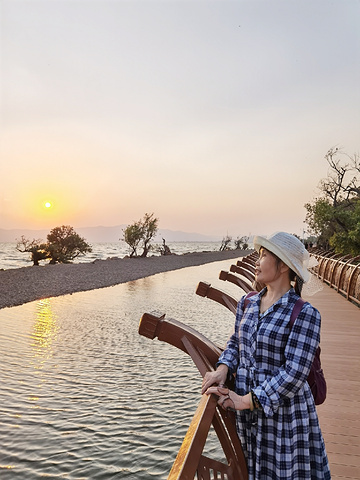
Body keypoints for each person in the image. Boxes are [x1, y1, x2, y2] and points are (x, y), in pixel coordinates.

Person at [201, 232, 331, 479]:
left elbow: (294, 374)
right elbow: (236, 343)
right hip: (249, 417)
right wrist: (223, 368)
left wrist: (245, 400)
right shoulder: (247, 302)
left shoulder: (304, 313)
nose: (257, 262)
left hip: (283, 418)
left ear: (283, 265)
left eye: (263, 256)